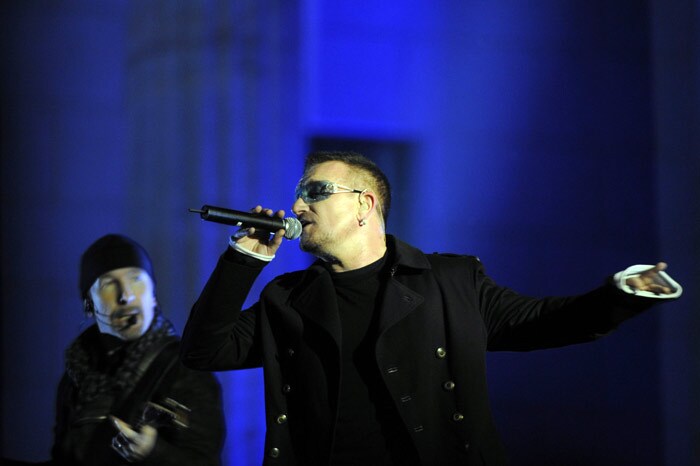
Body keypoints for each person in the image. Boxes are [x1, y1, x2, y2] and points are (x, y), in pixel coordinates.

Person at [180, 151, 682, 466]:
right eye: (297, 196)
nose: (298, 207)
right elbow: (203, 351)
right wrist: (243, 260)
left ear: (364, 205)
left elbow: (544, 322)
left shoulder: (451, 282)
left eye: (316, 193)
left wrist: (620, 294)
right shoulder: (286, 299)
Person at [50, 234, 226, 465]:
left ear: (153, 295)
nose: (126, 295)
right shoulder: (75, 375)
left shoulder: (184, 367)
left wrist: (153, 453)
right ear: (88, 305)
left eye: (136, 279)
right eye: (109, 284)